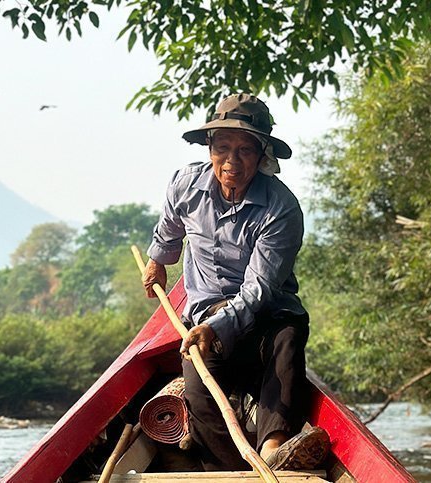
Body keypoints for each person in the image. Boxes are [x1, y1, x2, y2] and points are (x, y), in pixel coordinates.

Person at [141, 93, 329, 471]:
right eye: (222, 147)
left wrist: (215, 326)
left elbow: (259, 290)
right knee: (198, 383)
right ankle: (232, 471)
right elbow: (169, 231)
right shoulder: (184, 185)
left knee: (288, 338)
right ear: (209, 147)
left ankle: (274, 445)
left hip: (265, 315)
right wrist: (157, 261)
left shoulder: (281, 207)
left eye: (245, 150)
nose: (232, 161)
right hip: (206, 314)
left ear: (262, 156)